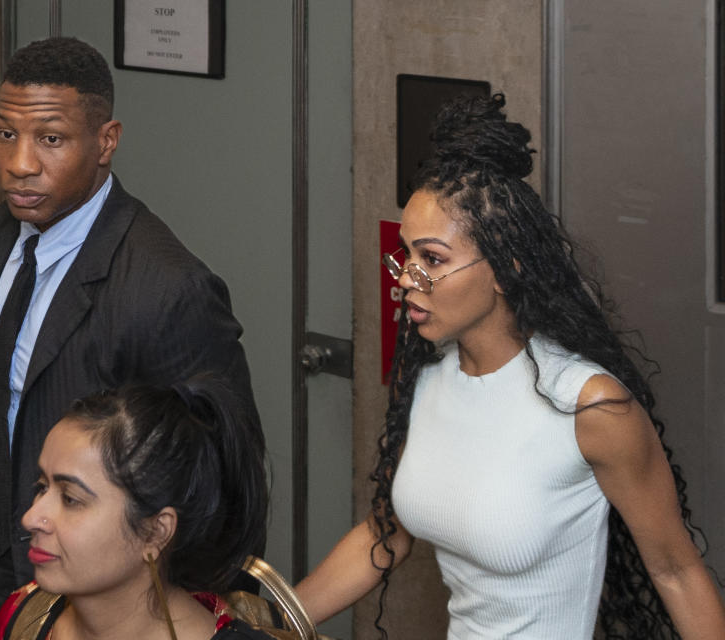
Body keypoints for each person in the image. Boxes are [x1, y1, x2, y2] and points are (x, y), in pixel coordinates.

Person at [295, 94, 725, 638]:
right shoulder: (426, 381)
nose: (406, 278)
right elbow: (386, 535)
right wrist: (265, 620)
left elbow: (676, 571)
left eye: (432, 259)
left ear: (505, 267)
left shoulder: (589, 406)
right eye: (405, 255)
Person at [0, 37, 262, 640]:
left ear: (106, 142)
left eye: (51, 139)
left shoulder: (168, 289)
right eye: (6, 134)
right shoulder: (2, 231)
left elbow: (220, 482)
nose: (20, 164)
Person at [0, 380, 271, 640]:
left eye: (70, 499)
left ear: (155, 532)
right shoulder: (27, 617)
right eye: (41, 487)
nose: (30, 518)